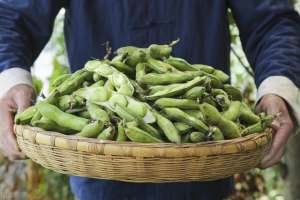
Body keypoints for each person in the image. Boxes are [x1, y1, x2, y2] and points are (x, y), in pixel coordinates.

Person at [0, 1, 299, 199]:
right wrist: (10, 80)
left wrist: (278, 88)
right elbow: (13, 16)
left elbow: (270, 18)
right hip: (100, 166)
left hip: (203, 163)